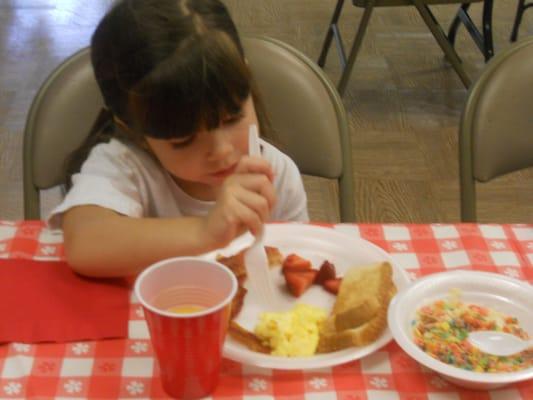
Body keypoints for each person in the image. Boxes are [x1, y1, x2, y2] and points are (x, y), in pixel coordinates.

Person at [48, 0, 309, 278]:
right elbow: (84, 242)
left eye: (232, 118)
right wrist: (205, 230)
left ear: (245, 74)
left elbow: (302, 260)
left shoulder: (277, 175)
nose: (221, 151)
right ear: (132, 128)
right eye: (184, 140)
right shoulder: (126, 165)